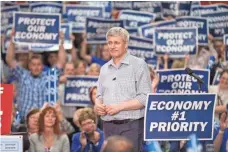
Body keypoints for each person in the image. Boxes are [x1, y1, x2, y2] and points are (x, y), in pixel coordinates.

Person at [94, 27, 152, 152]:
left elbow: (145, 97)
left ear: (126, 44)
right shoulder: (104, 68)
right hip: (108, 126)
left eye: (116, 43)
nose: (112, 46)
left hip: (131, 125)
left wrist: (119, 107)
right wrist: (98, 105)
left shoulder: (139, 64)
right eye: (110, 42)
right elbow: (99, 95)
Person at [6, 29, 66, 120]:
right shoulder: (22, 74)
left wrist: (61, 42)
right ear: (29, 65)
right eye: (33, 64)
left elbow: (61, 62)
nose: (36, 67)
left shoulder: (49, 76)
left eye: (39, 64)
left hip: (42, 121)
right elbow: (9, 60)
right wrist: (12, 40)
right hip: (23, 120)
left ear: (42, 66)